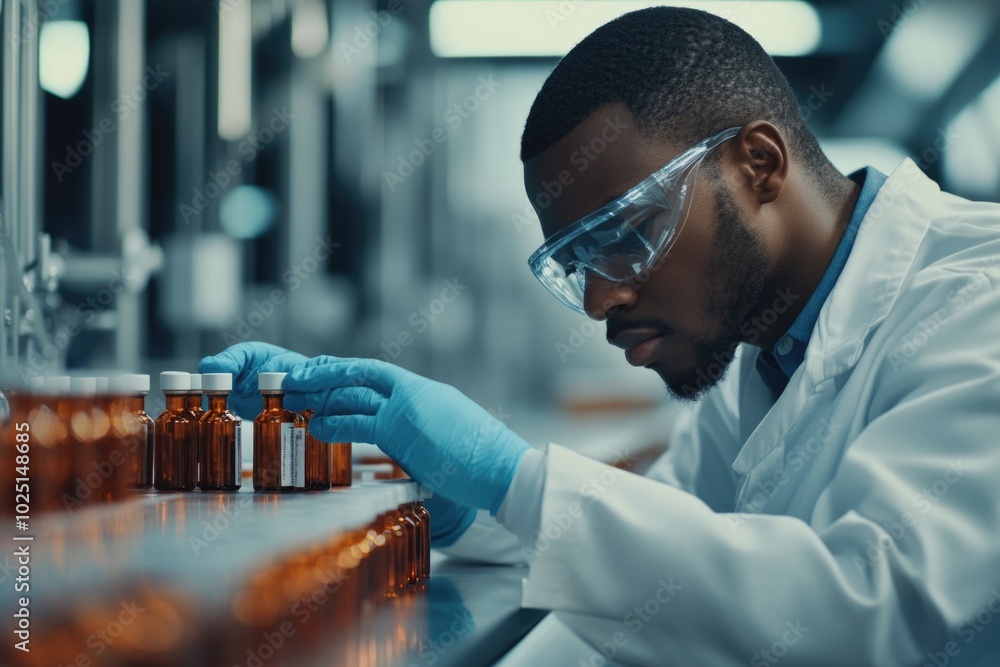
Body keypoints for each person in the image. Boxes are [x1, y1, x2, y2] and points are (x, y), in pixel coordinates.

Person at [201, 8, 1000, 665]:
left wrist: (510, 472)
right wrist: (465, 505)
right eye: (576, 261)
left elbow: (867, 614)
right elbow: (666, 554)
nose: (601, 300)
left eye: (627, 232)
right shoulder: (767, 345)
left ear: (759, 163)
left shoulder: (977, 301)